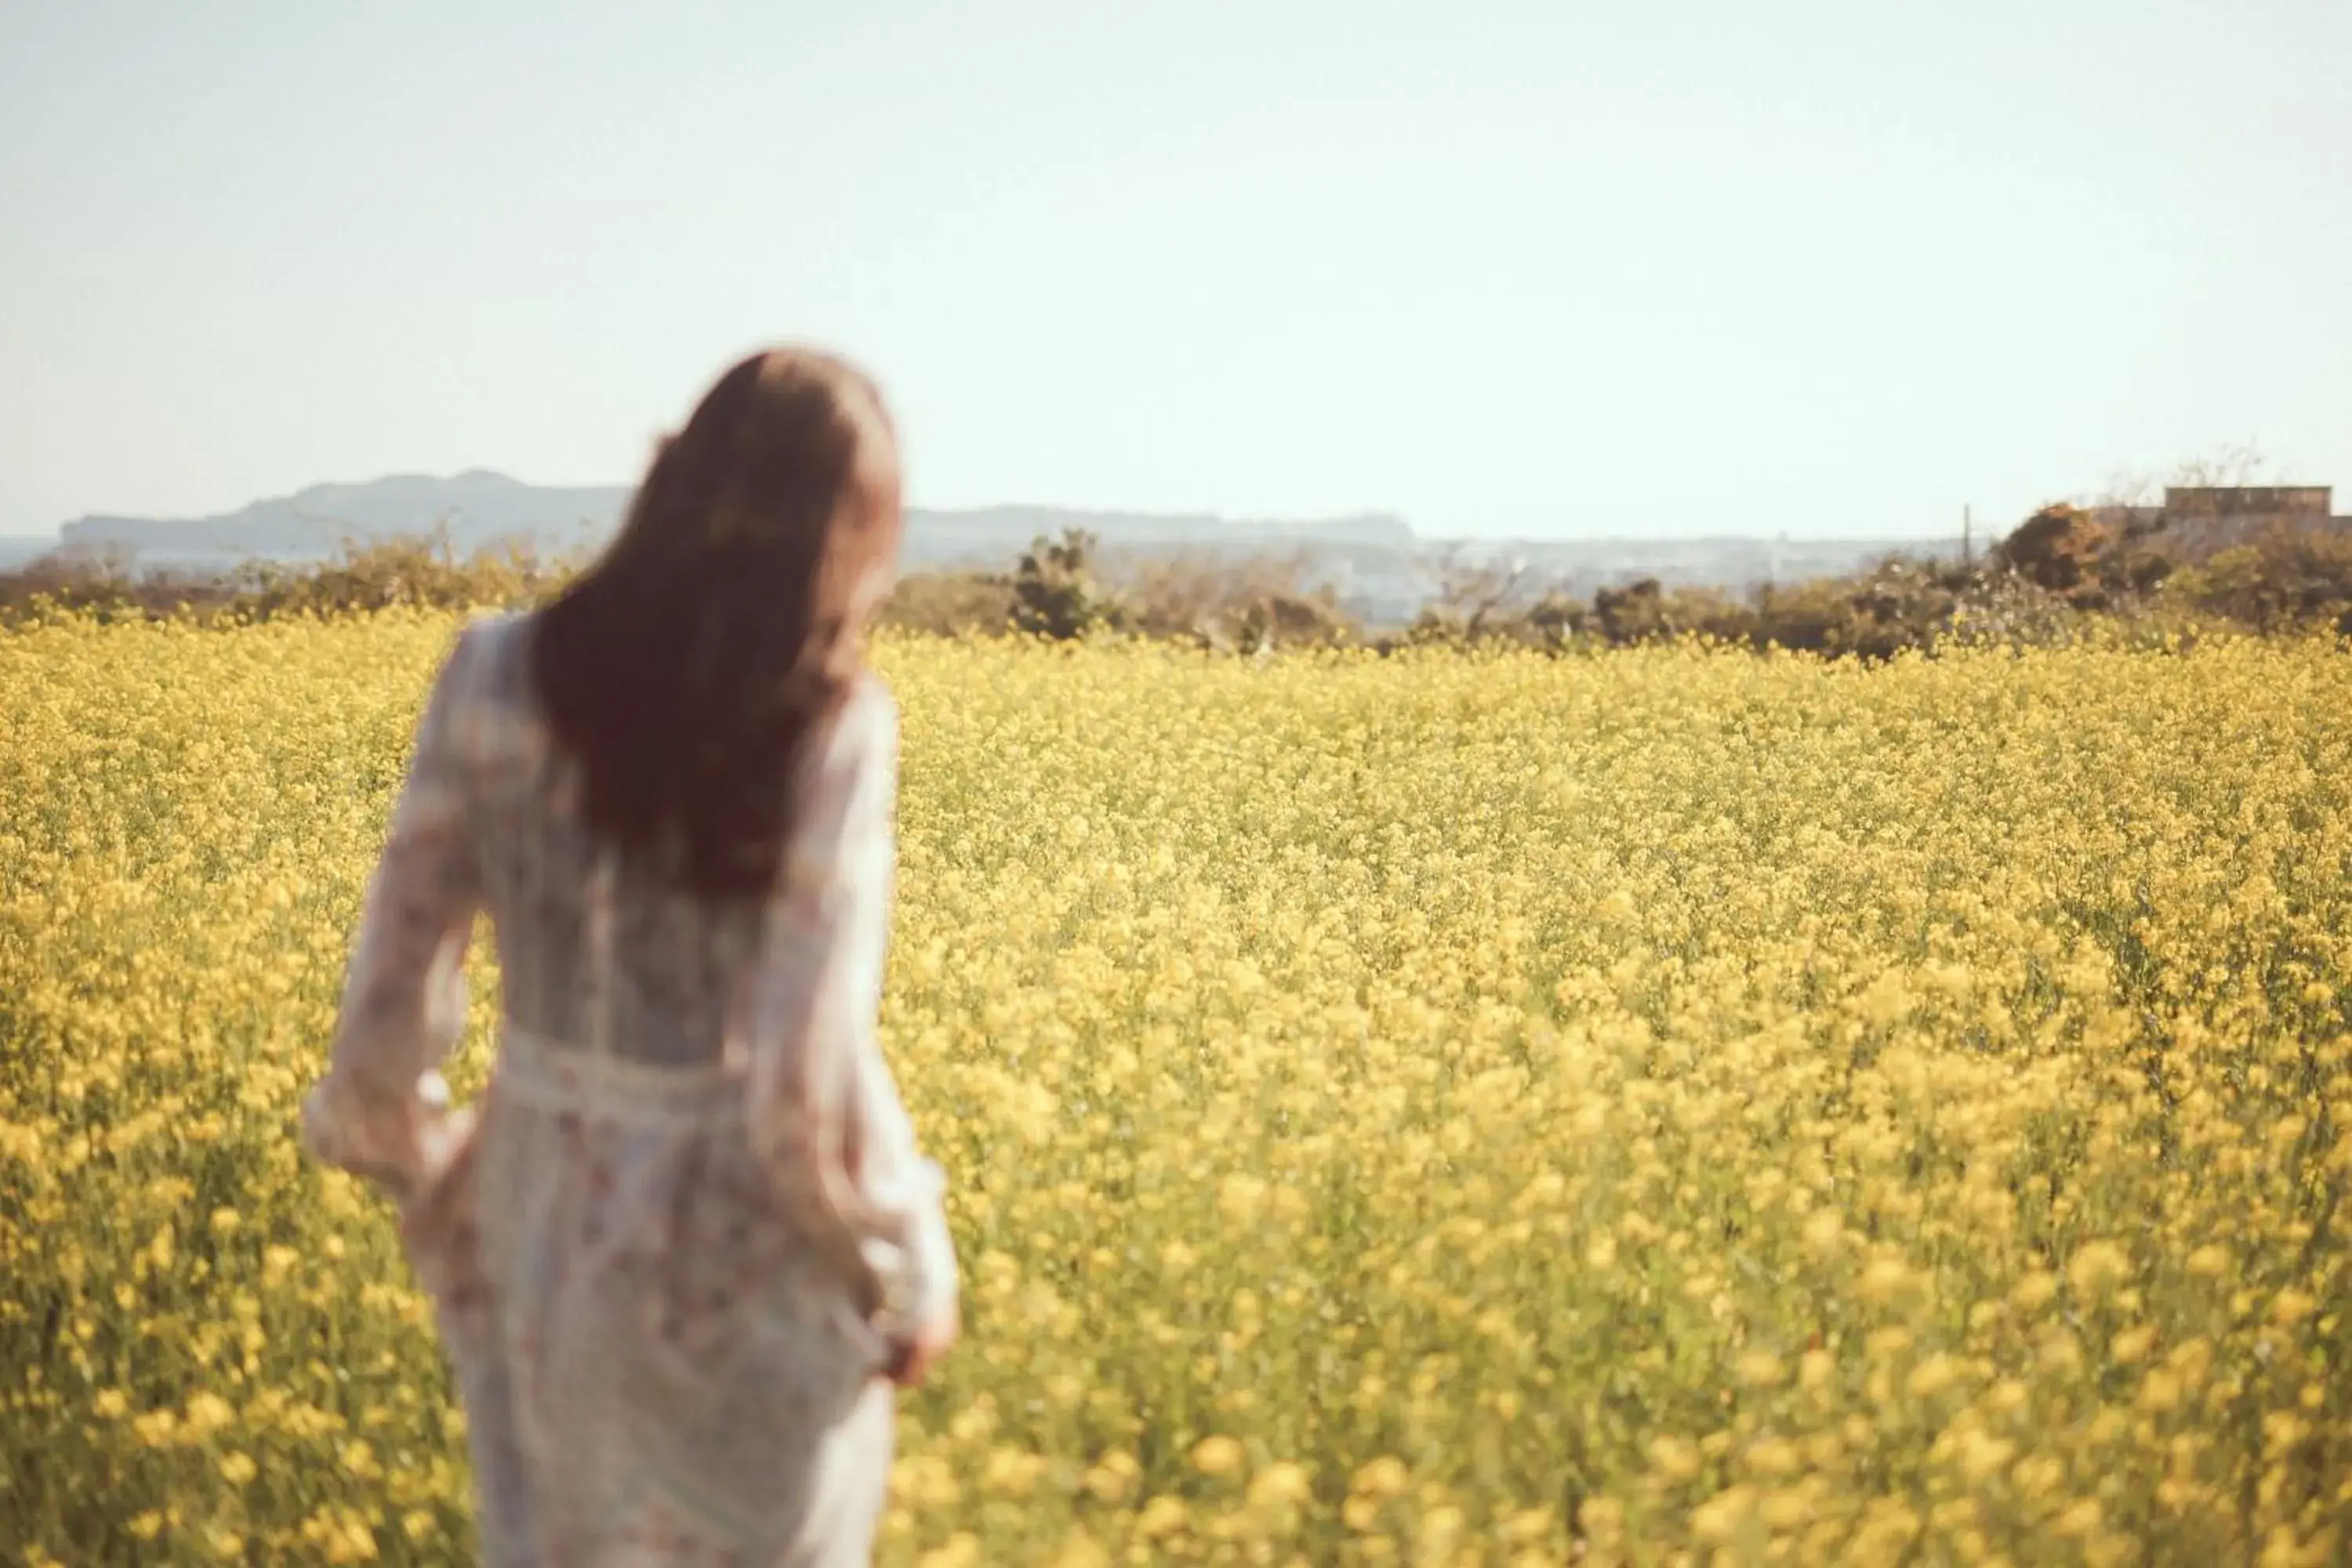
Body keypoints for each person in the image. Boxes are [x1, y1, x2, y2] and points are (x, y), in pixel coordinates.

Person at [301, 347, 959, 1566]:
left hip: (537, 1239)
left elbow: (382, 1027)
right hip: (743, 1268)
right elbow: (795, 1087)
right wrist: (904, 1268)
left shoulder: (488, 675)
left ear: (673, 479)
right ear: (846, 537)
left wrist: (443, 1187)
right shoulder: (831, 726)